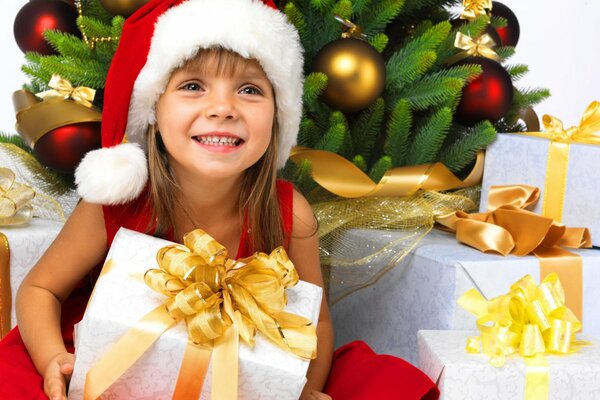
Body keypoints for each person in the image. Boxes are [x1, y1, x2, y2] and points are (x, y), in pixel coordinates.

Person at [0, 1, 439, 399]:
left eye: (250, 90)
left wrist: (301, 390)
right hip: (123, 368)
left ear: (277, 117)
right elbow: (40, 289)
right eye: (193, 86)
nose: (223, 108)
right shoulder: (114, 203)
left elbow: (316, 323)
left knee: (384, 386)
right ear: (153, 111)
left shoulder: (289, 214)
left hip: (247, 378)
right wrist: (53, 360)